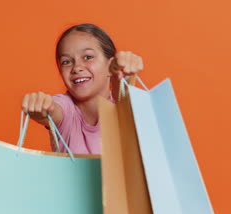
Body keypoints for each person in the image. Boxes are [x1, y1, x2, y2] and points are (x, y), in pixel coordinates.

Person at [21, 23, 143, 154]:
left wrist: (123, 69)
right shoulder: (66, 109)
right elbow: (53, 110)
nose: (77, 67)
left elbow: (122, 95)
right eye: (66, 62)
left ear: (109, 65)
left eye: (88, 57)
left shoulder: (124, 104)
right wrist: (41, 106)